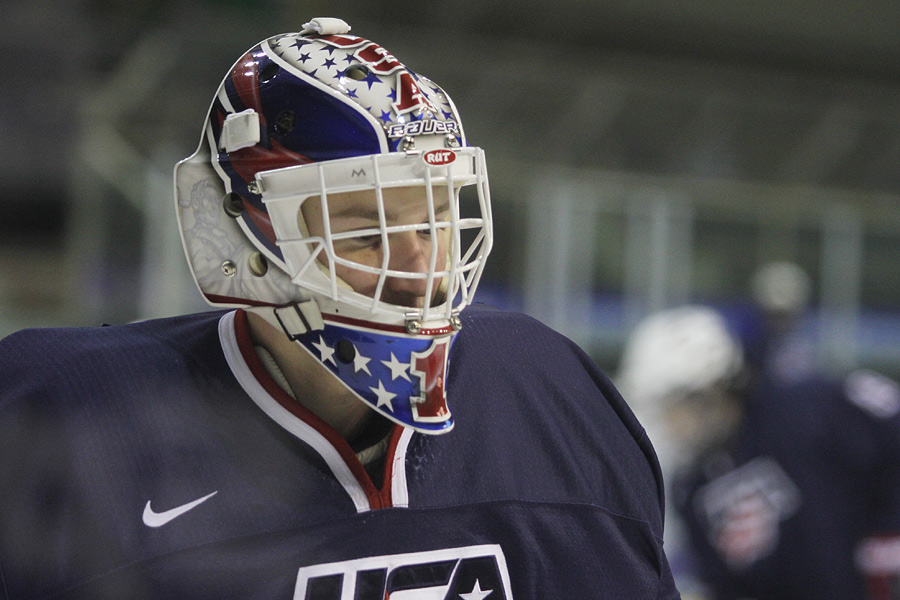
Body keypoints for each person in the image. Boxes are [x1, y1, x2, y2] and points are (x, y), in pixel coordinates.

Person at [0, 18, 680, 599]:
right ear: (235, 235)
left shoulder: (546, 400)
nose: (421, 264)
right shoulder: (75, 429)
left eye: (435, 220)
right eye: (364, 232)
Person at [619, 305, 900, 600]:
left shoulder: (800, 415)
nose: (669, 424)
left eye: (672, 407)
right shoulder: (692, 487)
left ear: (711, 392)